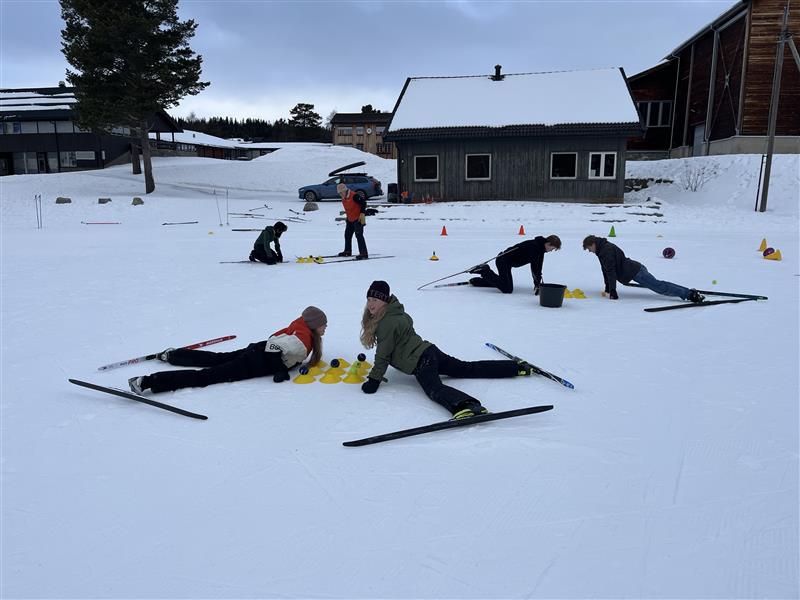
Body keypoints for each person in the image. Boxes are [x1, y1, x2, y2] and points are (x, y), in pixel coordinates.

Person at [358, 281, 533, 419]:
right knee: (466, 368)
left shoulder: (387, 322)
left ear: (385, 300)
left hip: (421, 361)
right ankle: (515, 367)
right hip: (430, 351)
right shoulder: (397, 312)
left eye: (376, 299)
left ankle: (466, 406)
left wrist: (374, 380)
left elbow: (383, 354)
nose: (371, 304)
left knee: (435, 389)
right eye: (369, 299)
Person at [128, 307, 327, 395]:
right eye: (323, 325)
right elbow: (273, 348)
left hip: (255, 350)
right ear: (314, 325)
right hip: (255, 361)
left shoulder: (300, 325)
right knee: (206, 377)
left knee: (216, 359)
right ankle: (147, 382)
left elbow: (274, 341)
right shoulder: (304, 338)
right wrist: (279, 369)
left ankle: (172, 355)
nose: (325, 328)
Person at [582, 235, 704, 302]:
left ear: (593, 244)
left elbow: (611, 271)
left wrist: (612, 290)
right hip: (635, 269)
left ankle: (690, 294)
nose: (589, 251)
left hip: (636, 272)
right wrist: (608, 287)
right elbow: (606, 270)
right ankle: (688, 292)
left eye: (589, 248)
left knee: (659, 287)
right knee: (659, 285)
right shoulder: (603, 249)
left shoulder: (605, 251)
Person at [469, 235, 562, 294]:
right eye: (552, 248)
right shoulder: (535, 248)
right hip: (503, 261)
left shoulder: (540, 249)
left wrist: (538, 283)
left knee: (504, 284)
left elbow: (538, 267)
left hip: (507, 263)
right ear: (548, 244)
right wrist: (537, 284)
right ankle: (484, 271)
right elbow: (534, 268)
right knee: (507, 289)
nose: (551, 251)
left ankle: (476, 281)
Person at [338, 183, 368, 259]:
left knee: (359, 235)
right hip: (350, 219)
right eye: (339, 193)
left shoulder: (354, 196)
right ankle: (347, 251)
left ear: (345, 190)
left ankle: (364, 253)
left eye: (341, 192)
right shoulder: (344, 197)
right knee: (347, 235)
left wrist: (362, 214)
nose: (340, 194)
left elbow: (363, 203)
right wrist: (347, 217)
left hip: (358, 219)